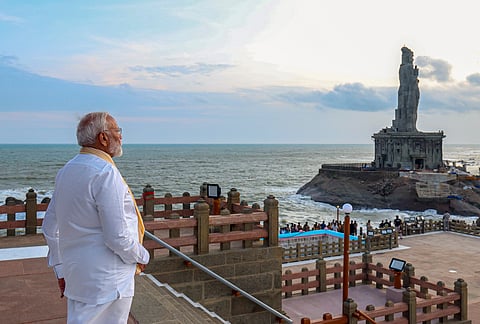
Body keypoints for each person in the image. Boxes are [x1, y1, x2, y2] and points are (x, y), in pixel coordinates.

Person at [42, 112, 150, 324]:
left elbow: (49, 227)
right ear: (103, 138)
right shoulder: (105, 173)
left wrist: (61, 270)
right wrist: (142, 255)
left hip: (77, 275)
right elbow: (117, 237)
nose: (120, 137)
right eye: (117, 131)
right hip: (109, 280)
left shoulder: (67, 171)